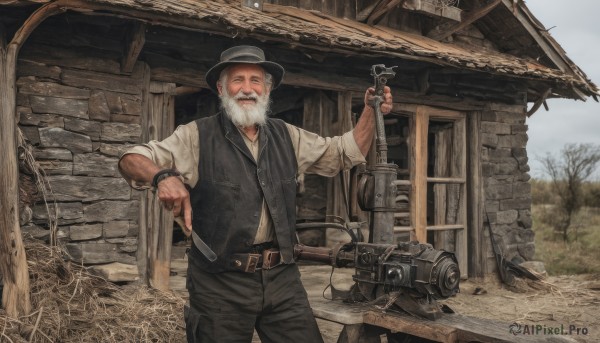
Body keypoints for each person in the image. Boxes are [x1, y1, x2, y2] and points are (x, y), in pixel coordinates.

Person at [118, 45, 393, 343]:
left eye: (255, 80)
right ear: (222, 89)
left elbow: (343, 152)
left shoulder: (286, 135)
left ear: (267, 89)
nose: (246, 89)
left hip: (282, 279)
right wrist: (162, 176)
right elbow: (131, 158)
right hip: (219, 281)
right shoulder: (196, 135)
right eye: (238, 80)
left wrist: (369, 110)